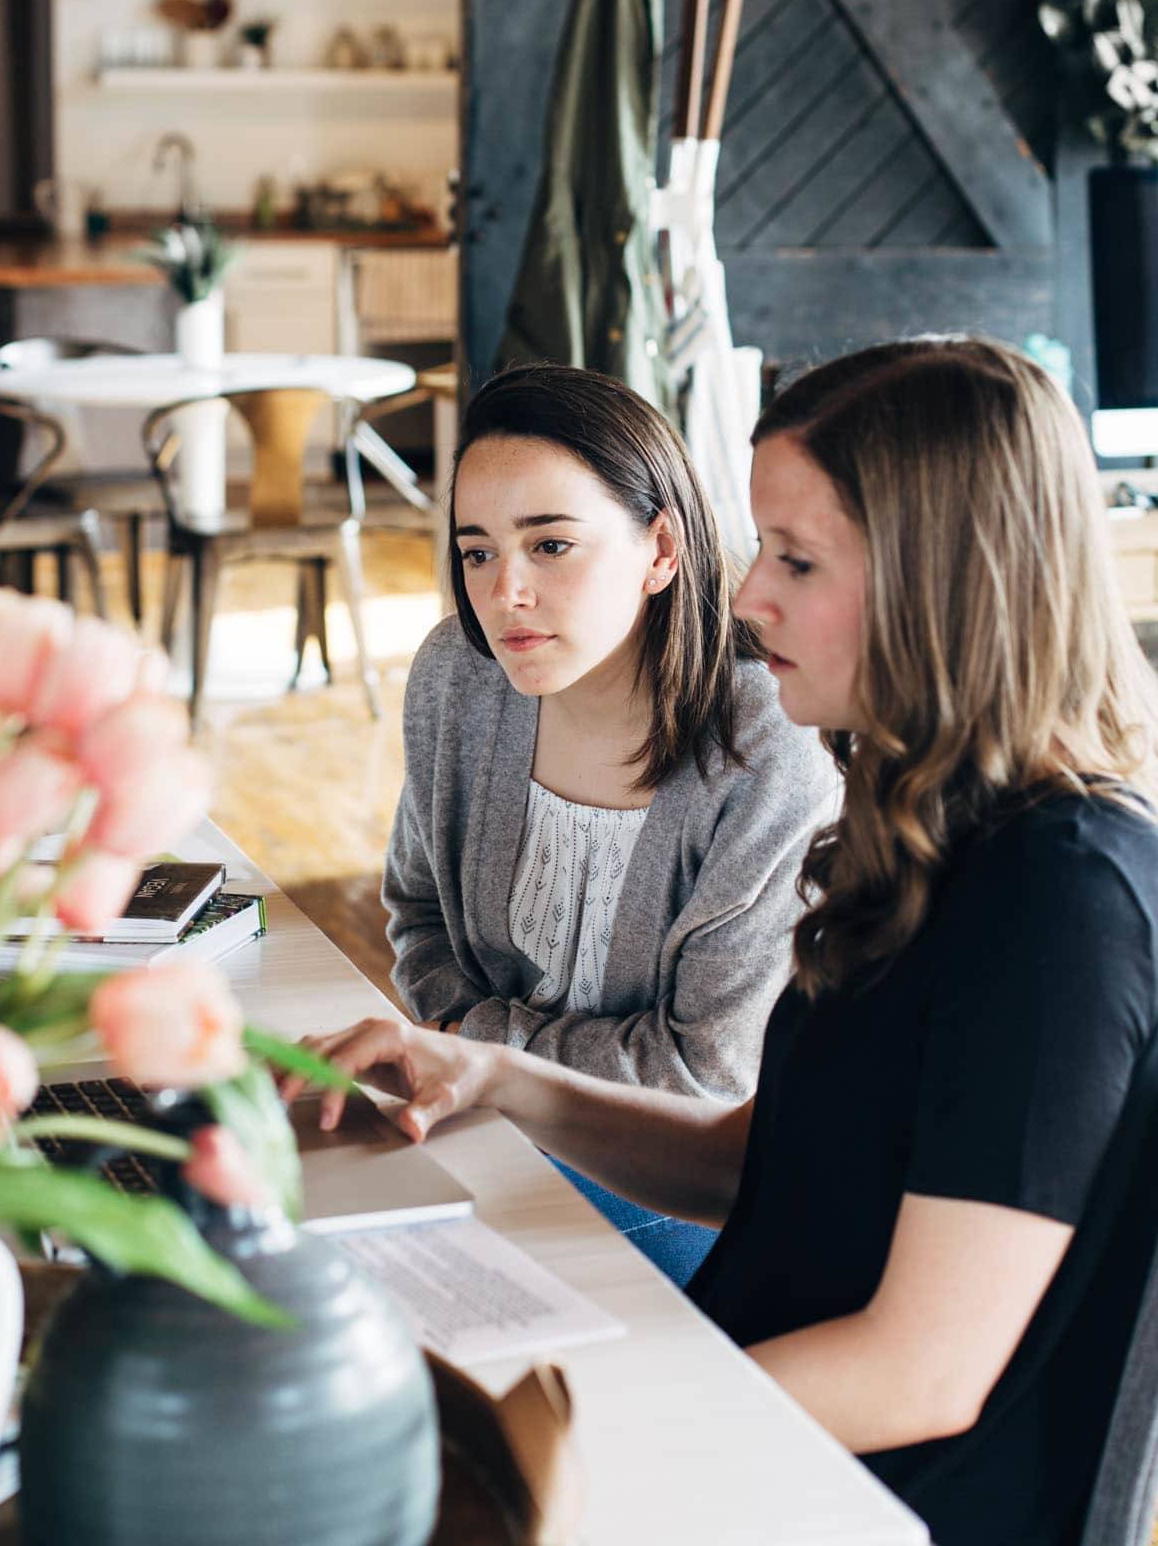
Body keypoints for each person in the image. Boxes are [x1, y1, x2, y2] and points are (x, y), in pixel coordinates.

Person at [297, 338, 1158, 1546]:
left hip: (853, 1498)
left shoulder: (1063, 897)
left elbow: (921, 1370)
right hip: (749, 1418)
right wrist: (495, 1077)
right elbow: (758, 1161)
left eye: (796, 560)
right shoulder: (923, 816)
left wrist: (570, 1427)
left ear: (950, 579)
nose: (748, 597)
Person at [381, 362, 838, 1283]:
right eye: (476, 551)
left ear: (661, 550)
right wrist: (481, 1073)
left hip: (677, 1182)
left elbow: (705, 1075)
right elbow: (418, 916)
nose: (503, 591)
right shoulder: (458, 680)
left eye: (550, 546)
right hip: (486, 1128)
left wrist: (478, 1055)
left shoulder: (769, 743)